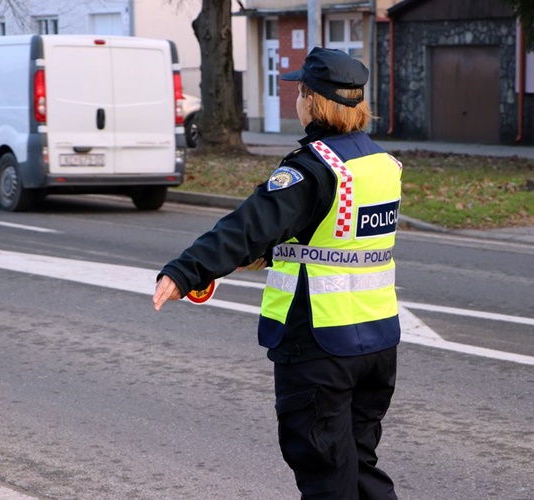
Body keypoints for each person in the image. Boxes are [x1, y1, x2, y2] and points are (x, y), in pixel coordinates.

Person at [153, 47, 402, 500]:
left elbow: (248, 226)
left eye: (300, 92)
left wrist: (185, 271)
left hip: (320, 344)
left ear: (314, 100)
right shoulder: (381, 165)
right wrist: (270, 255)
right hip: (378, 344)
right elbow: (333, 238)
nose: (296, 101)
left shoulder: (311, 170)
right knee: (358, 466)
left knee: (326, 474)